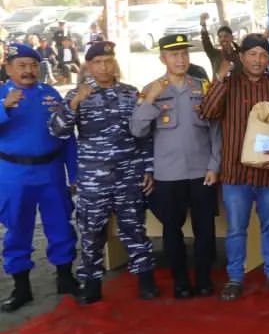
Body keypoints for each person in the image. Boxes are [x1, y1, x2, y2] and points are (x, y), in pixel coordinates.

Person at [49, 40, 158, 304]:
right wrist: (75, 103)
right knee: (91, 231)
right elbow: (57, 130)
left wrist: (148, 168)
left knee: (134, 228)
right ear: (88, 65)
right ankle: (92, 283)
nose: (104, 67)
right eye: (97, 62)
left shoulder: (130, 94)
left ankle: (145, 278)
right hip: (94, 178)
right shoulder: (77, 94)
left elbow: (144, 134)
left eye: (108, 61)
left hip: (128, 174)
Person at [200, 33, 269, 301]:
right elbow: (207, 112)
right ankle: (235, 277)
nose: (258, 60)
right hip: (236, 172)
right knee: (236, 229)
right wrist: (219, 79)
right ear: (241, 57)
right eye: (252, 54)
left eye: (263, 55)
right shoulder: (228, 85)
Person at [130, 34, 221, 298]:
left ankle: (203, 278)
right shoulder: (152, 89)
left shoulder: (203, 87)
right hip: (168, 174)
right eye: (174, 55)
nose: (180, 59)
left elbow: (216, 131)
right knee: (172, 230)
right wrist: (150, 100)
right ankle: (180, 280)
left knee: (205, 229)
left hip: (202, 171)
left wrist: (215, 164)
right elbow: (137, 130)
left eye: (184, 54)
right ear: (163, 59)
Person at [0, 43, 78, 312]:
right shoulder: (2, 95)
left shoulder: (50, 93)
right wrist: (4, 107)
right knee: (17, 228)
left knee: (60, 223)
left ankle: (65, 277)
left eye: (33, 65)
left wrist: (74, 173)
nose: (28, 71)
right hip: (14, 173)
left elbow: (66, 135)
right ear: (8, 68)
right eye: (21, 66)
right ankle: (21, 287)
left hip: (51, 170)